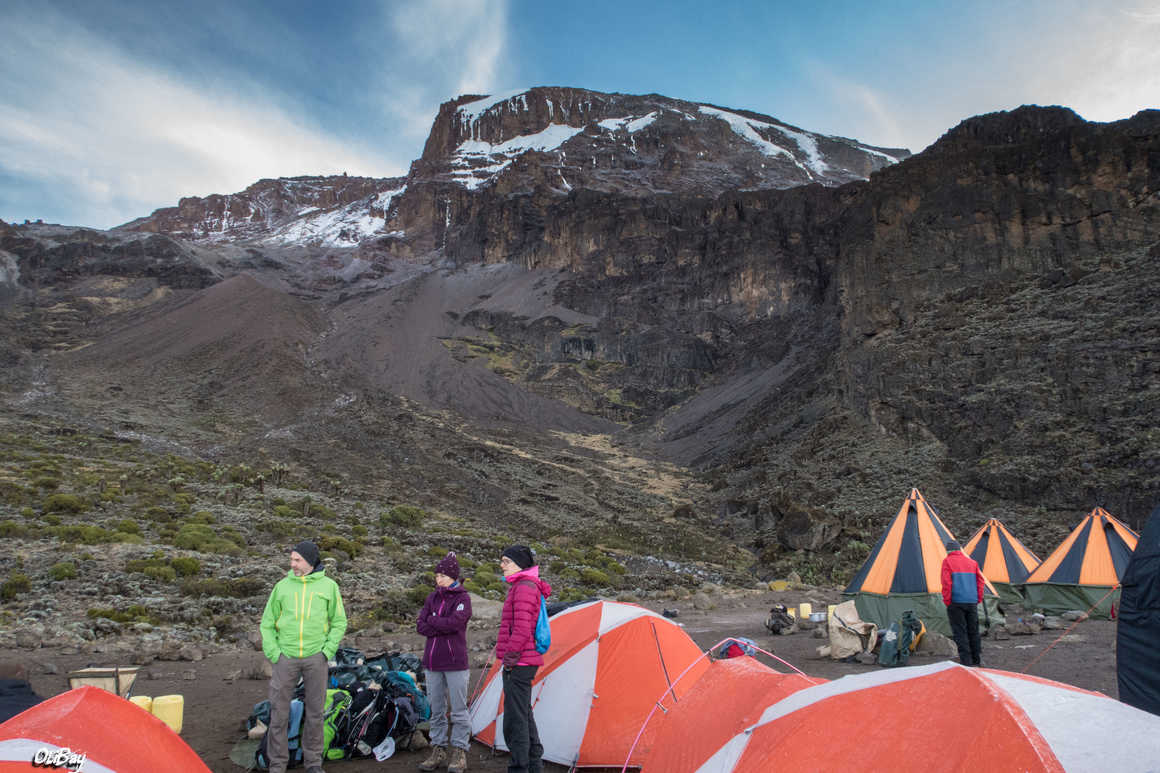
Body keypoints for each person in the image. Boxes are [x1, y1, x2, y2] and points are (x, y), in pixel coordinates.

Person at [259, 540, 347, 773]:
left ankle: (313, 763)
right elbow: (267, 623)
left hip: (315, 658)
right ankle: (277, 764)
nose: (293, 564)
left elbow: (339, 622)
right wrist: (274, 653)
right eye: (292, 560)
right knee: (279, 712)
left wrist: (326, 651)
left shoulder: (329, 587)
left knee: (316, 713)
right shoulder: (282, 587)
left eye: (297, 560)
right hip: (285, 657)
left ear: (310, 561)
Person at [494, 545, 551, 773]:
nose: (502, 565)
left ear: (519, 564)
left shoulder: (524, 588)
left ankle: (520, 768)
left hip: (520, 663)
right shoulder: (523, 586)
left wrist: (509, 658)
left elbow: (521, 628)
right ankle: (534, 765)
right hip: (523, 661)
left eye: (506, 561)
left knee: (515, 721)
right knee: (523, 715)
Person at [417, 552, 473, 773]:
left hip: (455, 662)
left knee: (459, 709)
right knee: (437, 709)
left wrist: (433, 621)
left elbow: (455, 624)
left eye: (441, 575)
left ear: (452, 576)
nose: (437, 579)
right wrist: (437, 622)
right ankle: (438, 749)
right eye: (436, 575)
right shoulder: (432, 597)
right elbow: (420, 625)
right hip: (432, 662)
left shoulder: (463, 599)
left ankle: (459, 752)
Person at [941, 539, 984, 667]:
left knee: (960, 631)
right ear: (959, 550)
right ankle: (977, 659)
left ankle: (966, 662)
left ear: (948, 551)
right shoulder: (972, 562)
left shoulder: (947, 562)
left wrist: (947, 601)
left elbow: (946, 584)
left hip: (956, 602)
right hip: (971, 602)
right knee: (973, 631)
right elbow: (980, 582)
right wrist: (978, 599)